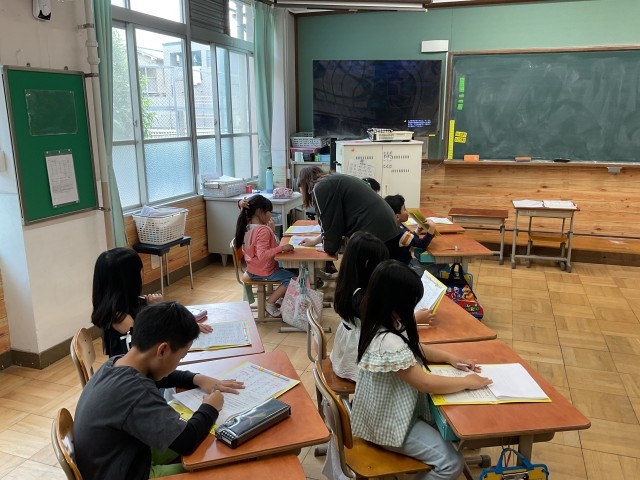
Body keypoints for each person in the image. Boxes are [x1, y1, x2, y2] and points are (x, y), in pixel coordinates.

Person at [352, 260, 492, 480]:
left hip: (384, 414)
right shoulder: (388, 342)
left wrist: (450, 358)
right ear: (395, 302)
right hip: (387, 425)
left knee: (450, 425)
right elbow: (424, 383)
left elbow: (414, 346)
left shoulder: (379, 321)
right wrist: (468, 382)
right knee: (451, 463)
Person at [74, 302, 244, 480]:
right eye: (180, 357)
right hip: (129, 473)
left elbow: (161, 376)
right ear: (162, 350)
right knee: (221, 469)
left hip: (118, 458)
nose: (178, 363)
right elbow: (186, 441)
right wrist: (210, 407)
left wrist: (197, 379)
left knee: (206, 441)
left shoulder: (117, 363)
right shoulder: (137, 392)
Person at [91, 248, 211, 357]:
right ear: (129, 279)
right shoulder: (120, 318)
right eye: (138, 270)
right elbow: (153, 343)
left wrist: (187, 326)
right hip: (134, 372)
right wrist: (160, 308)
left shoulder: (129, 303)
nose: (141, 274)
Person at [296, 166, 398, 256]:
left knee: (362, 269)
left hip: (376, 230)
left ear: (304, 184)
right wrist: (315, 241)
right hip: (385, 225)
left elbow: (330, 223)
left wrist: (328, 248)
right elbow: (335, 223)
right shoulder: (331, 180)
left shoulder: (320, 187)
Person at [331, 231, 388, 382]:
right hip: (356, 360)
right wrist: (416, 318)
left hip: (346, 350)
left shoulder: (347, 282)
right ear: (367, 264)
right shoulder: (360, 297)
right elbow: (384, 323)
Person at [234, 194, 295, 318]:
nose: (270, 215)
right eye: (269, 212)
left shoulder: (247, 226)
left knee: (292, 271)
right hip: (264, 272)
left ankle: (279, 298)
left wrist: (240, 203)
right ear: (259, 211)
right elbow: (262, 255)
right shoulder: (263, 230)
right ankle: (270, 302)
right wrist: (282, 248)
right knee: (292, 279)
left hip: (253, 270)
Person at [384, 194, 436, 276]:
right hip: (404, 268)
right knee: (439, 264)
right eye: (404, 209)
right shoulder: (400, 233)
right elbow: (422, 244)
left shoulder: (393, 227)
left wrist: (417, 231)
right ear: (397, 217)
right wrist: (432, 228)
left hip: (395, 266)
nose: (407, 212)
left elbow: (408, 239)